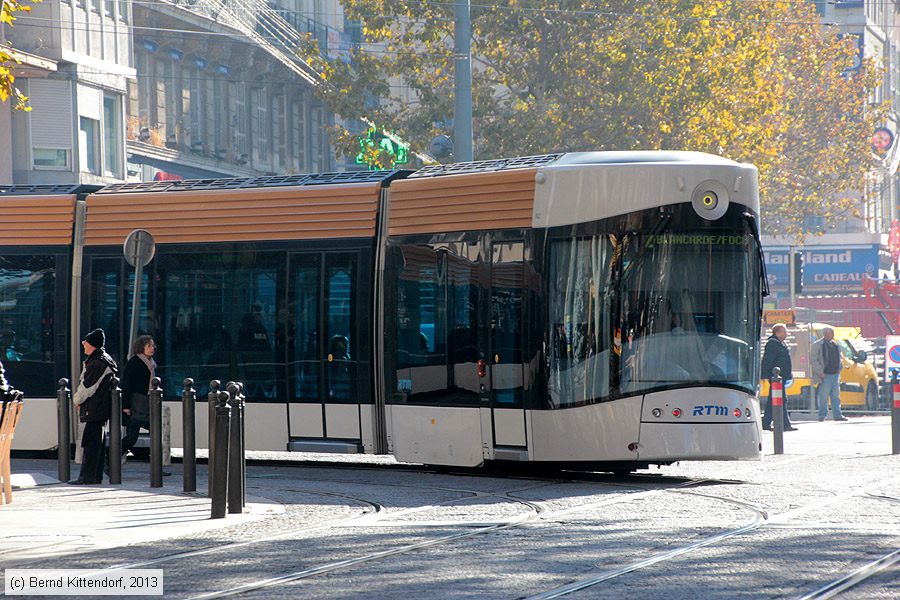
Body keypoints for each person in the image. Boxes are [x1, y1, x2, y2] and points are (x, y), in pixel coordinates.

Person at [70, 328, 118, 485]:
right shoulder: (103, 359)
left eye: (87, 342)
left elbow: (87, 387)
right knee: (97, 441)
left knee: (91, 442)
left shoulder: (97, 362)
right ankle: (95, 476)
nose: (84, 344)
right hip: (100, 407)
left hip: (95, 407)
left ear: (93, 345)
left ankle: (86, 477)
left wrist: (77, 400)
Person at [120, 334, 156, 459]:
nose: (152, 348)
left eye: (153, 345)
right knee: (131, 438)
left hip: (146, 404)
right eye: (149, 346)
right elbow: (127, 384)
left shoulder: (151, 363)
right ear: (142, 347)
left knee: (155, 434)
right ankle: (110, 459)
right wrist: (125, 406)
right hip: (136, 405)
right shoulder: (135, 362)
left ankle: (157, 467)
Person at [759, 323, 797, 431]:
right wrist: (765, 374)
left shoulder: (781, 344)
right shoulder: (773, 344)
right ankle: (785, 424)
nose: (786, 334)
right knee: (780, 399)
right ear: (777, 333)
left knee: (774, 400)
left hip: (781, 377)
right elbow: (768, 360)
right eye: (784, 331)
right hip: (775, 377)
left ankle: (766, 422)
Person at [811, 326, 848, 422]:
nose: (832, 335)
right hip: (825, 374)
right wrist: (820, 372)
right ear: (825, 334)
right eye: (830, 333)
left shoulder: (835, 344)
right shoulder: (818, 345)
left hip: (835, 374)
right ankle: (822, 416)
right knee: (823, 396)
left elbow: (839, 357)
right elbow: (814, 360)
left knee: (836, 396)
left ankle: (838, 415)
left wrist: (840, 368)